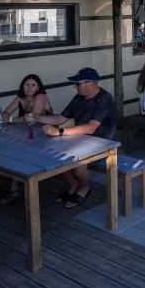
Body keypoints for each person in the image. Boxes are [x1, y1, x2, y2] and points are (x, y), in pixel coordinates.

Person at [36, 68, 116, 208]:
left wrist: (59, 132)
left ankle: (84, 187)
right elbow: (61, 118)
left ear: (89, 83)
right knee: (55, 155)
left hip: (103, 143)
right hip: (80, 141)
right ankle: (73, 185)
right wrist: (38, 118)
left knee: (78, 165)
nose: (75, 86)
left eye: (77, 84)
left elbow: (91, 128)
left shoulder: (104, 99)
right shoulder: (79, 97)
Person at [0, 74, 54, 204]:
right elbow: (4, 113)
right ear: (22, 86)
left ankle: (17, 187)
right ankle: (16, 184)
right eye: (27, 84)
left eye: (33, 85)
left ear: (38, 87)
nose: (29, 88)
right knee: (9, 144)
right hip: (27, 133)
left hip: (46, 133)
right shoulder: (20, 97)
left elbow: (30, 119)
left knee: (18, 149)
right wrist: (7, 116)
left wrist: (10, 119)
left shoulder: (40, 97)